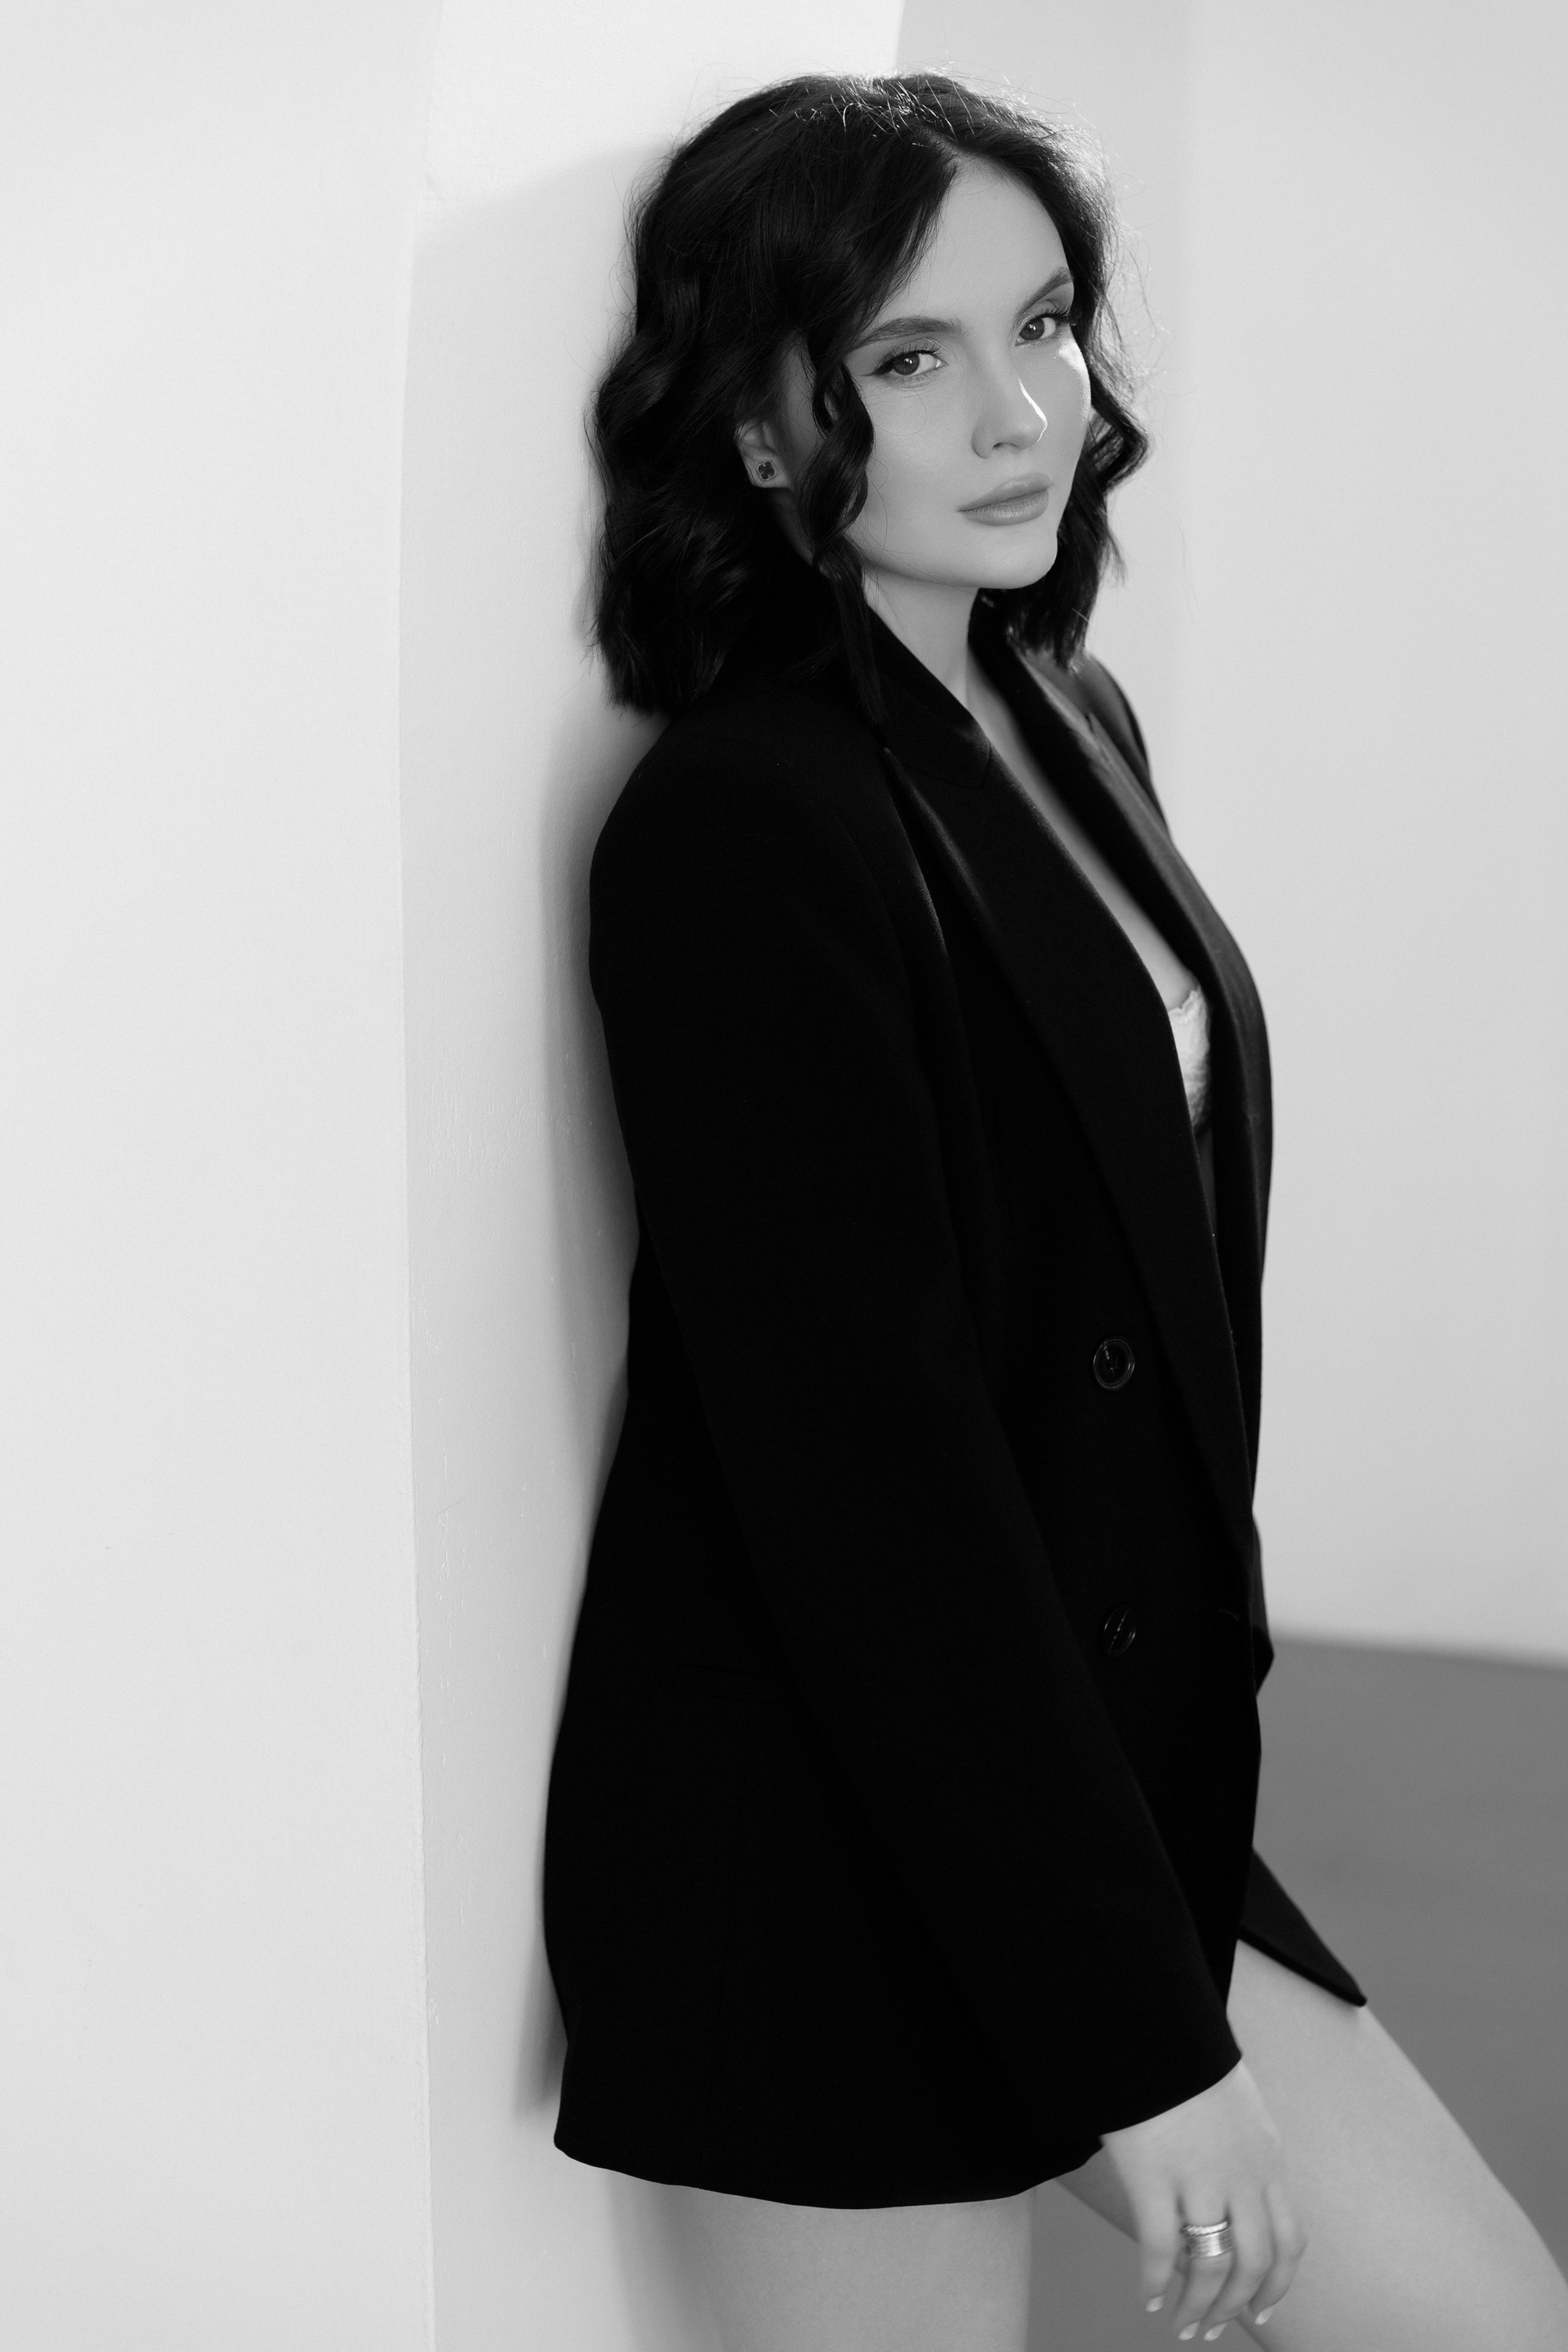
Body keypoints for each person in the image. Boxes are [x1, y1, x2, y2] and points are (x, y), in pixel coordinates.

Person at [542, 72, 1568, 2352]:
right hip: (831, 1852)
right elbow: (869, 1487)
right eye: (909, 358)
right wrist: (1145, 2055)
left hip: (1097, 1786)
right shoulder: (743, 827)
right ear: (762, 428)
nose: (1020, 415)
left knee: (1490, 2315)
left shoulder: (1054, 703)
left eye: (1044, 326)